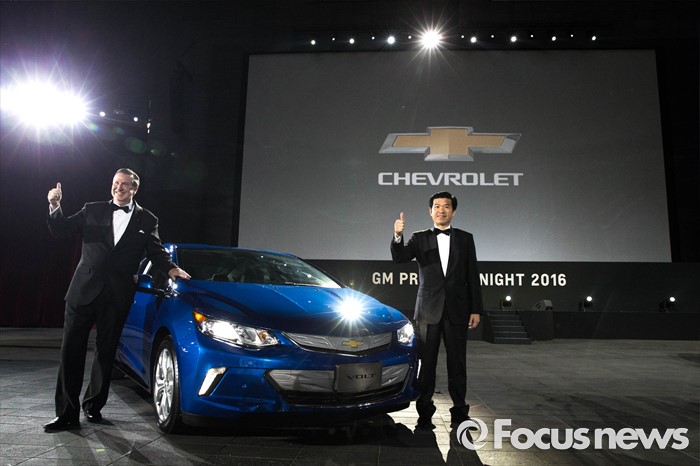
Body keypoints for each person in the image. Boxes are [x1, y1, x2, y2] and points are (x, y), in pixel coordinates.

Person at [43, 168, 190, 431]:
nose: (118, 188)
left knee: (106, 352)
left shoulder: (148, 219)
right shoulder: (92, 209)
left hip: (117, 295)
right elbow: (61, 229)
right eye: (115, 183)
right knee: (71, 351)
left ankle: (93, 406)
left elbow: (156, 252)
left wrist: (172, 269)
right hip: (83, 291)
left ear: (134, 188)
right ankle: (66, 414)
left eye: (124, 184)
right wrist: (55, 206)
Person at [391, 191, 483, 430]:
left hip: (457, 310)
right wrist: (398, 236)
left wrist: (476, 309)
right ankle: (424, 413)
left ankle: (460, 412)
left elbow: (473, 275)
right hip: (428, 311)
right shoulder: (419, 238)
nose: (442, 210)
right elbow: (400, 257)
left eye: (447, 206)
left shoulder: (465, 238)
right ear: (430, 211)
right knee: (426, 364)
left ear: (453, 211)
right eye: (437, 206)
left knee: (457, 364)